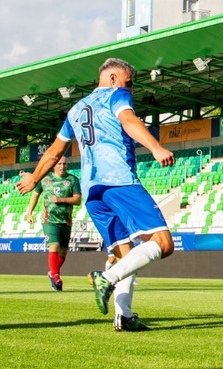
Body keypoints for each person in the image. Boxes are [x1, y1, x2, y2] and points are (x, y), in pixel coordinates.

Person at [17, 58, 176, 331]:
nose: (131, 89)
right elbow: (128, 120)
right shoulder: (117, 95)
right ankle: (106, 277)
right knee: (163, 244)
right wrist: (155, 147)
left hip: (92, 192)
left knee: (126, 255)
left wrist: (34, 177)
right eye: (129, 82)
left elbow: (56, 151)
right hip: (118, 180)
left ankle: (124, 316)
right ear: (113, 78)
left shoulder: (75, 110)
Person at [23, 154, 82, 290]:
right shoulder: (45, 179)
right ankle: (56, 277)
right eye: (59, 164)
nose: (62, 166)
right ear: (54, 165)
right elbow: (35, 194)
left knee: (63, 253)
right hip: (49, 220)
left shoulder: (72, 180)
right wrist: (29, 213)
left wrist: (61, 200)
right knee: (53, 247)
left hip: (65, 221)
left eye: (64, 164)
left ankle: (52, 273)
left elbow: (77, 200)